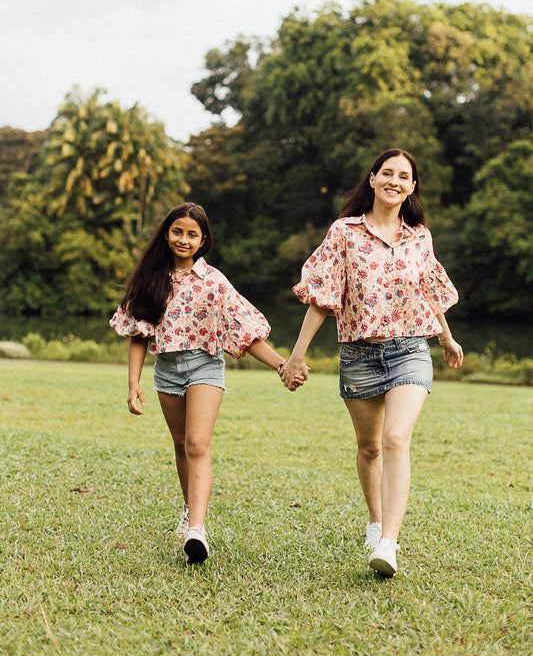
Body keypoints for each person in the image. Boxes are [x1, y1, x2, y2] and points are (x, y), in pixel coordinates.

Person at [280, 149, 463, 577]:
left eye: (404, 176)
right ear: (373, 178)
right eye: (388, 173)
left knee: (397, 438)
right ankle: (375, 519)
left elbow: (430, 292)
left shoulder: (420, 237)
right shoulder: (345, 232)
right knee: (371, 446)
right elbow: (323, 298)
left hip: (410, 350)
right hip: (360, 354)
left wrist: (447, 337)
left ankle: (388, 544)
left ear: (412, 187)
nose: (395, 181)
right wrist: (297, 355)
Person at [110, 202, 302, 565]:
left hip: (205, 368)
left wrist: (283, 365)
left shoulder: (214, 282)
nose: (183, 239)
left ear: (203, 240)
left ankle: (197, 528)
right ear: (167, 234)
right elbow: (138, 334)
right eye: (177, 231)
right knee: (181, 445)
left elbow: (246, 334)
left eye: (192, 234)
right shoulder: (151, 278)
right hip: (165, 370)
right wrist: (133, 384)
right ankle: (188, 510)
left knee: (198, 444)